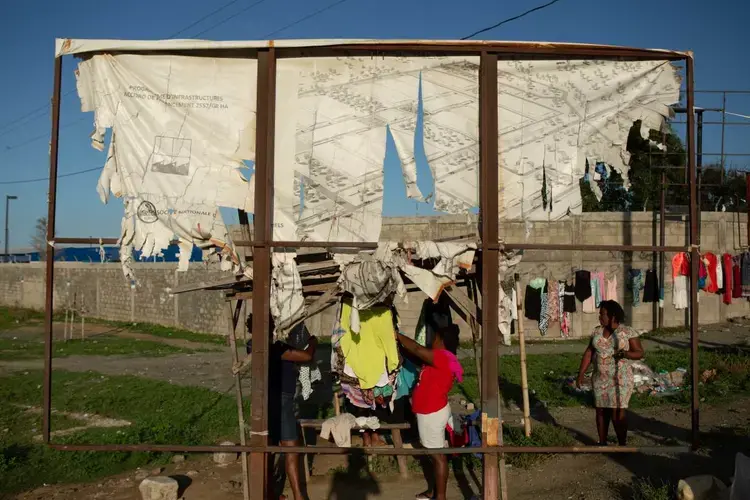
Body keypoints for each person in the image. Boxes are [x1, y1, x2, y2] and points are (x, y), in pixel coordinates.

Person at [247, 319, 318, 500]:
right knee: (291, 451)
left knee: (268, 451)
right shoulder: (276, 347)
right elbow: (306, 357)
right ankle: (298, 496)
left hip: (265, 401)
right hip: (282, 401)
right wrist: (313, 343)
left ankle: (269, 493)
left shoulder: (252, 346)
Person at [396, 324, 463, 500]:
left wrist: (398, 336)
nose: (430, 341)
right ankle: (434, 492)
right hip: (432, 411)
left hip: (432, 413)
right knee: (435, 455)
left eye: (433, 338)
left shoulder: (441, 358)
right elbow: (415, 355)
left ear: (440, 340)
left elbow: (417, 349)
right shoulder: (441, 359)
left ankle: (440, 497)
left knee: (438, 456)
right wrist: (400, 346)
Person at [576, 300, 644, 446]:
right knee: (601, 411)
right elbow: (589, 352)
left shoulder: (627, 332)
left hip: (620, 379)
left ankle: (621, 444)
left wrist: (625, 354)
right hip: (600, 378)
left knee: (617, 412)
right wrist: (581, 373)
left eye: (602, 314)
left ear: (612, 315)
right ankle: (602, 443)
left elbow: (639, 352)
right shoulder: (597, 331)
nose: (600, 317)